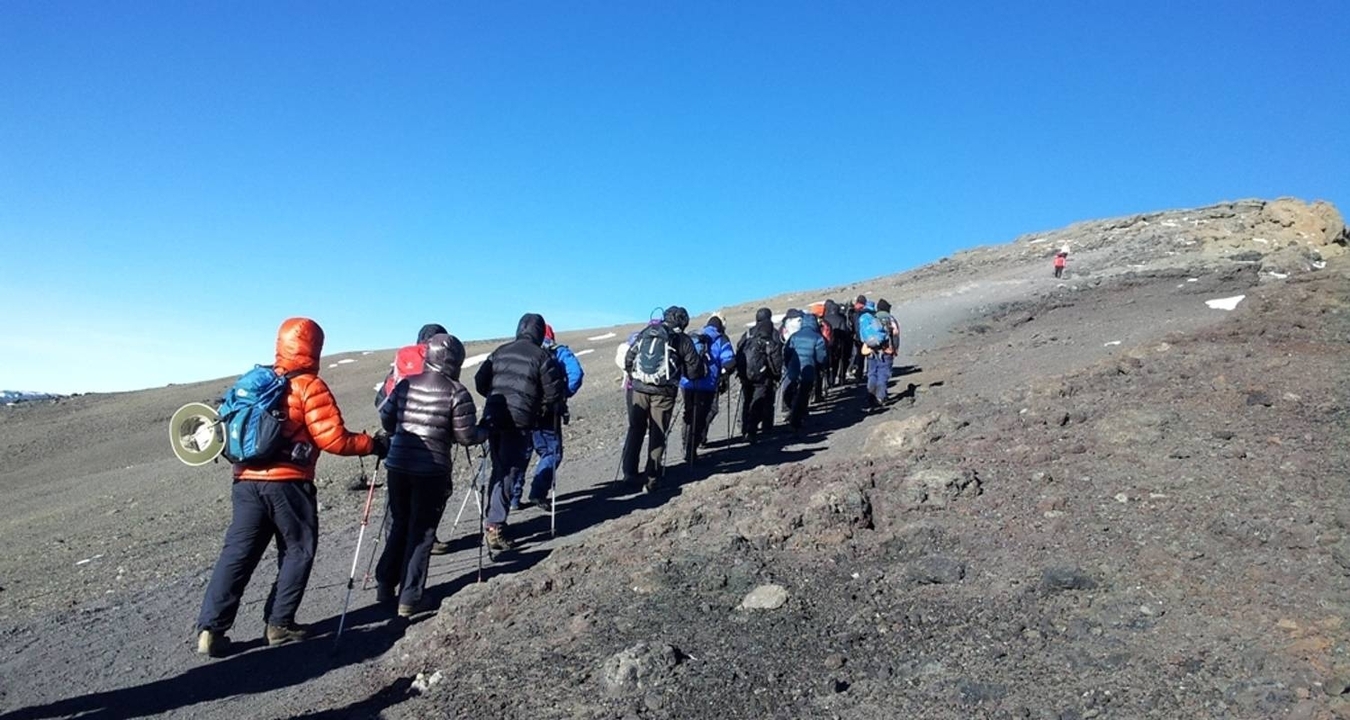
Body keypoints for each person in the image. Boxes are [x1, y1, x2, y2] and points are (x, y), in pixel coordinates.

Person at [196, 317, 385, 658]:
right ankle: (279, 624)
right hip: (288, 483)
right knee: (298, 548)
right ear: (315, 347)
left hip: (245, 481)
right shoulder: (309, 386)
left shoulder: (255, 381)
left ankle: (212, 628)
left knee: (238, 554)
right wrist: (371, 445)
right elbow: (334, 440)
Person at [375, 333, 485, 617]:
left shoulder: (405, 384)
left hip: (398, 464)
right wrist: (486, 431)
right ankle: (410, 598)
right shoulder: (456, 392)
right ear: (455, 361)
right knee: (422, 533)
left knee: (399, 523)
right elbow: (466, 437)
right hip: (432, 469)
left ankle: (385, 584)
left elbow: (387, 419)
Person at [474, 313, 562, 551]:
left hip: (494, 416)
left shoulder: (500, 351)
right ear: (540, 332)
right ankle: (494, 526)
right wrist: (536, 406)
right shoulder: (542, 356)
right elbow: (554, 393)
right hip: (519, 420)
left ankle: (493, 516)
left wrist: (496, 396)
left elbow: (480, 381)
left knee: (499, 467)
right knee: (509, 471)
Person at [622, 305, 704, 492]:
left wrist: (635, 377)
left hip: (639, 388)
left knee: (636, 429)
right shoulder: (682, 339)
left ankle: (629, 473)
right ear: (683, 321)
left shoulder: (647, 332)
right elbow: (694, 370)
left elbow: (629, 358)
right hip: (664, 392)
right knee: (658, 432)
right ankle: (652, 478)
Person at [517, 324, 582, 510]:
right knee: (551, 452)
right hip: (547, 413)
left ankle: (513, 499)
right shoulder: (557, 352)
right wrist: (562, 395)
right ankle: (538, 492)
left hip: (521, 411)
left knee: (522, 453)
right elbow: (576, 374)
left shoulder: (520, 352)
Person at [735, 307, 785, 443]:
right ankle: (761, 428)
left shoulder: (748, 333)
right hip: (763, 374)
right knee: (764, 400)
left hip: (746, 374)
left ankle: (745, 429)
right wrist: (776, 374)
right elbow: (776, 355)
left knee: (748, 400)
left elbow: (739, 350)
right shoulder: (772, 333)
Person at [678, 328, 720, 464]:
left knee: (689, 414)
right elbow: (728, 361)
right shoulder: (715, 340)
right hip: (706, 386)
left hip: (687, 384)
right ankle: (692, 448)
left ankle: (686, 446)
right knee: (700, 417)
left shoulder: (688, 341)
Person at [783, 312, 828, 432]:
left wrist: (789, 365)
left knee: (793, 390)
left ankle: (794, 413)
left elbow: (787, 352)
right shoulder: (817, 337)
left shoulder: (795, 336)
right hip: (808, 368)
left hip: (794, 367)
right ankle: (796, 419)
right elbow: (821, 357)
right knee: (803, 393)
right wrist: (820, 364)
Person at [697, 314, 737, 446]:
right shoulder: (721, 339)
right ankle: (699, 438)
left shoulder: (696, 336)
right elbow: (729, 362)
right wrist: (726, 372)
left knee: (692, 412)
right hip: (710, 381)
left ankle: (690, 442)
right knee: (711, 409)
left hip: (689, 381)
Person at [863, 299, 903, 408]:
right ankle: (880, 396)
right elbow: (895, 335)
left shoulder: (872, 318)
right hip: (886, 351)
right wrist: (894, 349)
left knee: (872, 373)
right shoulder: (890, 319)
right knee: (883, 373)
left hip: (872, 350)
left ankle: (871, 396)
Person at [822, 299, 850, 389]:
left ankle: (829, 381)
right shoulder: (841, 319)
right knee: (837, 362)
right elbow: (845, 332)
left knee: (829, 363)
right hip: (838, 344)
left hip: (826, 344)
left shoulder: (824, 319)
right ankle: (838, 379)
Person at [846, 295, 868, 383]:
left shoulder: (853, 312)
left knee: (857, 356)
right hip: (864, 337)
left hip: (856, 337)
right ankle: (864, 374)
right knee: (864, 356)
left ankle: (856, 373)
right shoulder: (865, 312)